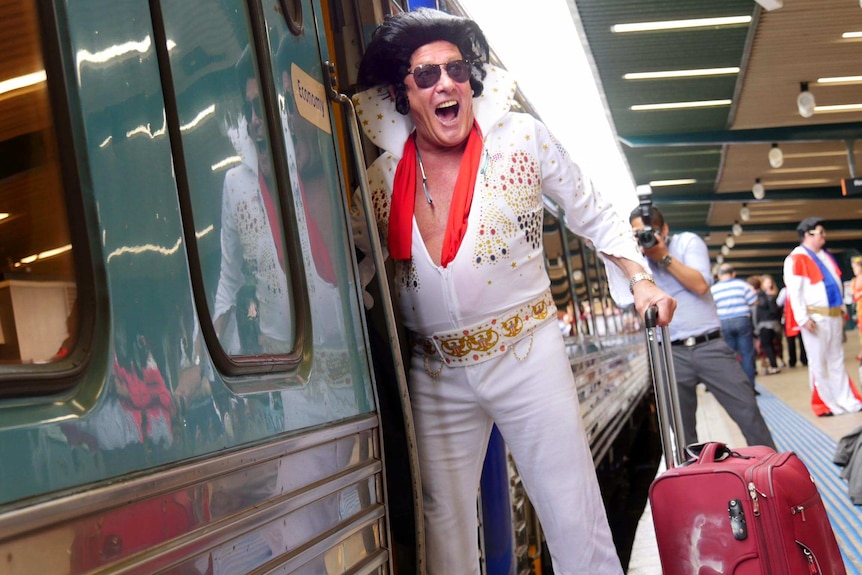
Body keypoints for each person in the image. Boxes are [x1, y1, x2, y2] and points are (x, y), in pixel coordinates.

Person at [350, 9, 677, 574]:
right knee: (443, 526)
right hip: (437, 370)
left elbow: (592, 210)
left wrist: (641, 280)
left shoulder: (520, 139)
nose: (445, 83)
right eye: (426, 76)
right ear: (404, 95)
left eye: (455, 70)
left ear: (471, 81)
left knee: (572, 510)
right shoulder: (380, 179)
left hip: (527, 351)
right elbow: (348, 263)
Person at [629, 206, 775, 451]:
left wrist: (662, 256)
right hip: (669, 353)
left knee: (749, 414)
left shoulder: (687, 242)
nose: (646, 237)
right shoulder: (634, 260)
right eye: (638, 233)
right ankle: (695, 486)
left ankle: (773, 477)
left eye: (650, 231)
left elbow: (700, 285)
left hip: (711, 346)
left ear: (664, 229)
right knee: (682, 434)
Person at [213, 47, 293, 355]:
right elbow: (230, 279)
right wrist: (202, 359)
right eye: (249, 111)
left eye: (262, 106)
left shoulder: (315, 167)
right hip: (287, 369)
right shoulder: (236, 186)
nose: (255, 120)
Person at [783, 217, 862, 416]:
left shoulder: (825, 256)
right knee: (818, 363)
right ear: (808, 235)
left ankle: (846, 400)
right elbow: (795, 292)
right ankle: (825, 404)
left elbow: (834, 282)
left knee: (837, 360)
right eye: (820, 232)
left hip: (834, 315)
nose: (824, 236)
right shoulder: (796, 258)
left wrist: (842, 310)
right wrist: (803, 318)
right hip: (815, 318)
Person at [710, 263, 758, 385]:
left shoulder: (714, 289)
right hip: (742, 320)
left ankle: (735, 385)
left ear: (719, 275)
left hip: (724, 322)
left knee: (729, 355)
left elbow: (710, 307)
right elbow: (754, 301)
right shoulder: (742, 285)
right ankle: (749, 386)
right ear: (733, 274)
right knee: (746, 354)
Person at [754, 274, 783, 374]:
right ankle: (773, 364)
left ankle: (773, 365)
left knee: (768, 345)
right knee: (771, 344)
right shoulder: (768, 295)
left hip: (766, 323)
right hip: (771, 323)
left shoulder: (762, 296)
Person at [777, 285, 807, 367]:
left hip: (800, 316)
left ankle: (804, 359)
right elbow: (779, 303)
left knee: (802, 339)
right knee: (790, 340)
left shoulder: (802, 288)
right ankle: (792, 360)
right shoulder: (785, 291)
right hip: (788, 318)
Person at [850, 256, 862, 361]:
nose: (854, 269)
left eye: (855, 267)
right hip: (859, 308)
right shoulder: (854, 280)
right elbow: (854, 294)